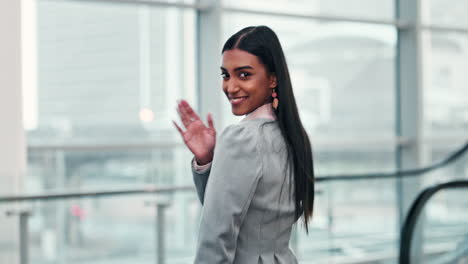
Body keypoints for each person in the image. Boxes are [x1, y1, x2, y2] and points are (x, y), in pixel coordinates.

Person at [173, 25, 314, 264]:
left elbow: (215, 236)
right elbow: (242, 212)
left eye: (244, 74)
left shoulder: (241, 138)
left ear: (273, 78)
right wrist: (209, 160)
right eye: (226, 75)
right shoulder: (293, 135)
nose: (230, 86)